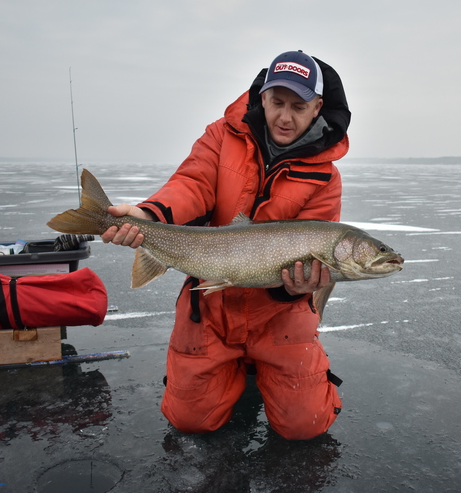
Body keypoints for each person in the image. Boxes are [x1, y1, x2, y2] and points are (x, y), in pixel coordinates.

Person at [101, 50, 351, 440]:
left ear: (317, 107)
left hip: (279, 317)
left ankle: (256, 364)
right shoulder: (222, 135)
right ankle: (234, 366)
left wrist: (297, 290)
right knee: (190, 420)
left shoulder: (325, 177)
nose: (285, 117)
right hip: (211, 304)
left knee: (306, 426)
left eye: (299, 107)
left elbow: (308, 267)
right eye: (277, 103)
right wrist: (150, 217)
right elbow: (192, 184)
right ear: (262, 97)